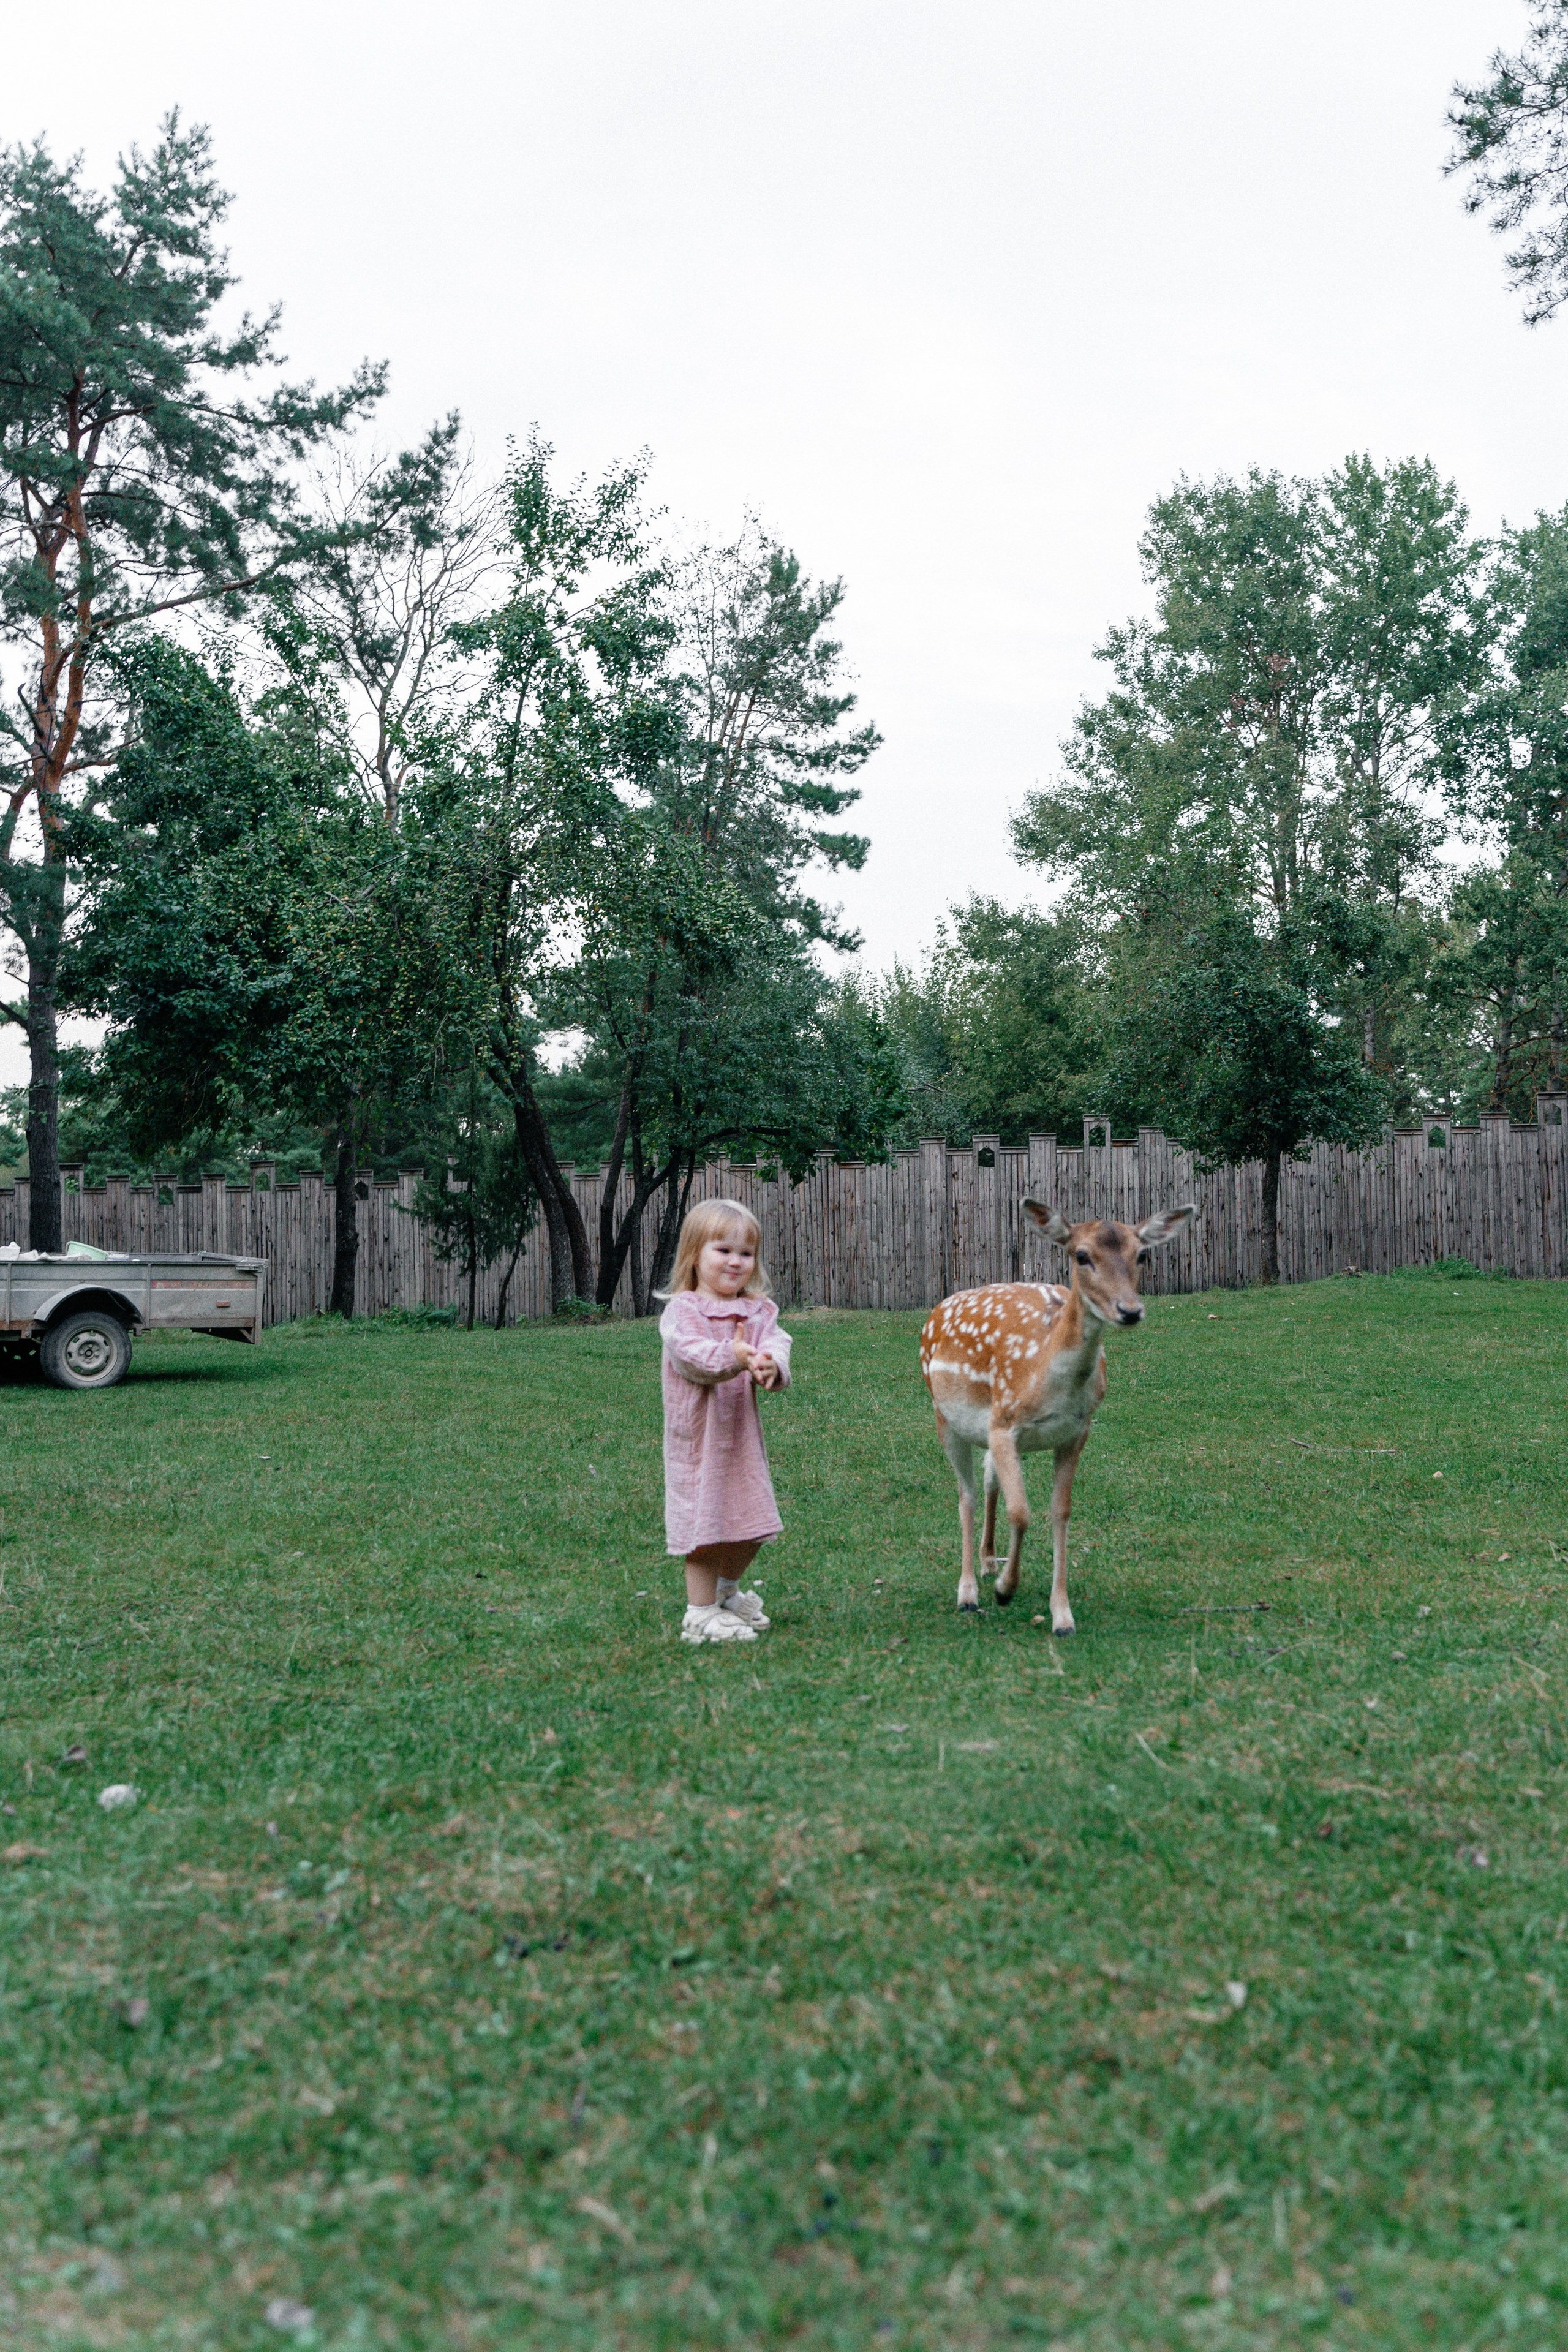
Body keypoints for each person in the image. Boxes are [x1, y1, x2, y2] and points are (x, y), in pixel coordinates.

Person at [658, 1197, 792, 1645]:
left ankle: (725, 1592)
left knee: (753, 1518)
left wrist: (771, 1364)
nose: (736, 1262)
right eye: (724, 1250)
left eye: (746, 1253)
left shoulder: (757, 1311)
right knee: (705, 1525)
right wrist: (732, 1357)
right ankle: (698, 1615)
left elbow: (776, 1341)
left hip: (739, 1436)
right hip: (697, 1437)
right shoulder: (684, 1311)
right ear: (695, 1254)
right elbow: (692, 1359)